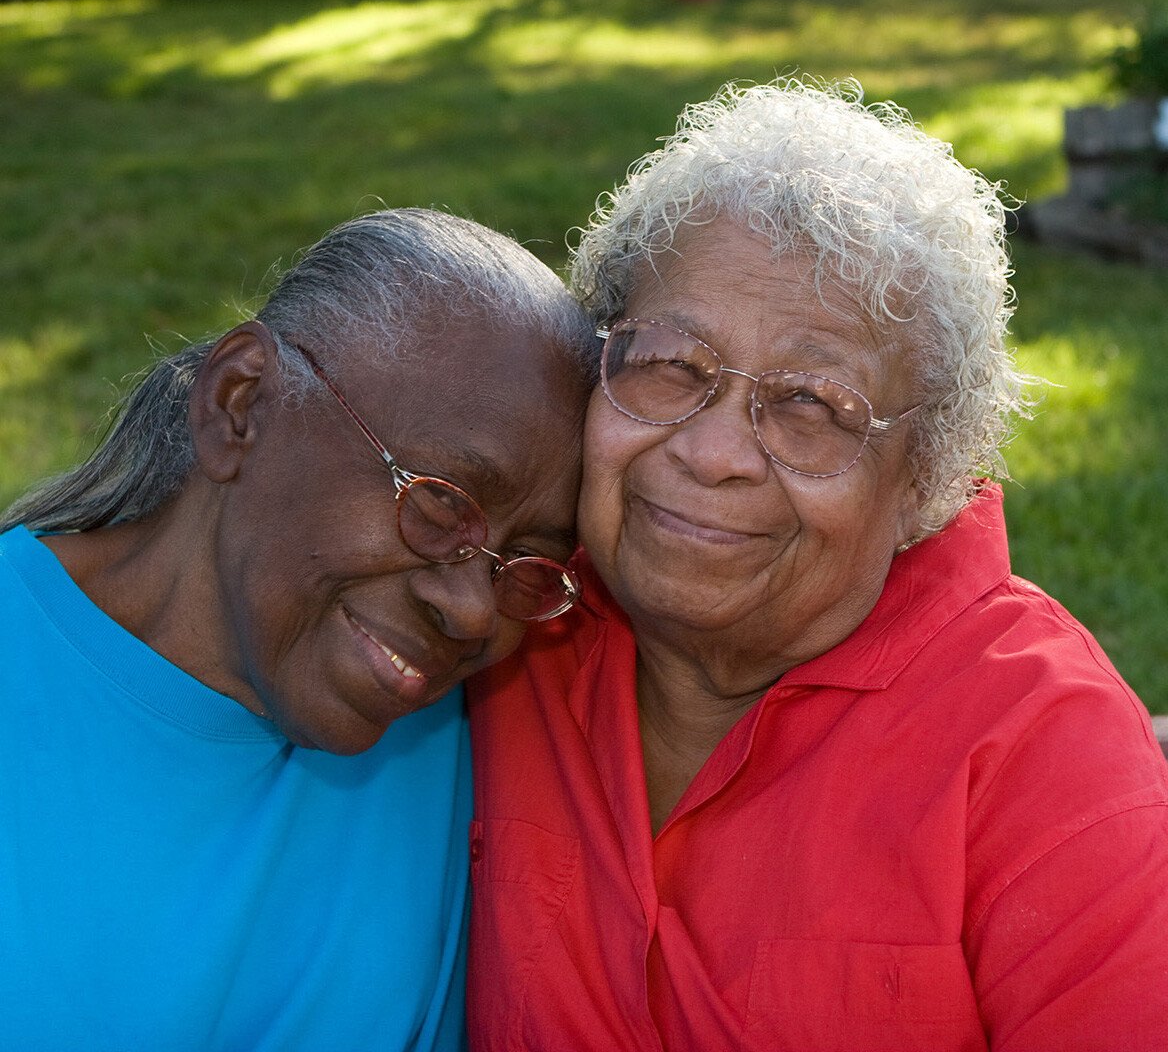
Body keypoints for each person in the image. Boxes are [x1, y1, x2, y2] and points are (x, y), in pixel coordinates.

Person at [467, 80, 1168, 1050]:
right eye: (670, 363)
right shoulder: (496, 626)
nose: (713, 452)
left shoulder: (1044, 751)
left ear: (922, 476)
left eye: (812, 404)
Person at [0, 207, 596, 1051]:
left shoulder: (455, 729)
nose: (471, 611)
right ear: (239, 405)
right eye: (438, 502)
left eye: (526, 561)